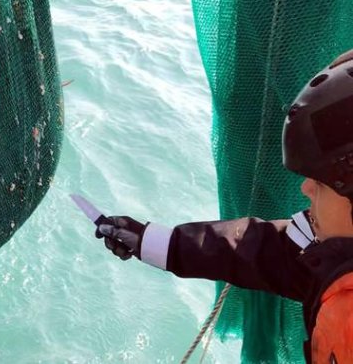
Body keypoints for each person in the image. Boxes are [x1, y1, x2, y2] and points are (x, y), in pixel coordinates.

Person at [94, 50, 353, 364]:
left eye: (321, 182)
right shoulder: (327, 249)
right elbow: (267, 251)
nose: (306, 188)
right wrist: (156, 242)